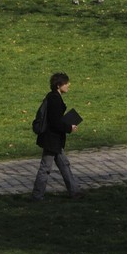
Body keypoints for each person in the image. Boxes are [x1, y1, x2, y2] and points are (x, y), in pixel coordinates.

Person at [31, 71, 82, 200]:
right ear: (58, 85)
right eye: (65, 83)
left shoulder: (52, 97)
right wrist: (69, 127)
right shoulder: (54, 100)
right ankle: (37, 195)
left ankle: (74, 191)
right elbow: (55, 122)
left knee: (64, 164)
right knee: (45, 168)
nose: (68, 85)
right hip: (51, 139)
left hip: (54, 139)